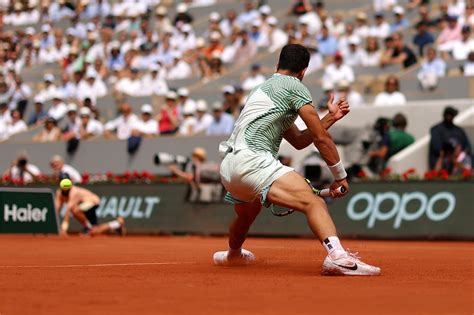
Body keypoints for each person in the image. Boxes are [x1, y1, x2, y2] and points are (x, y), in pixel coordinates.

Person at [214, 44, 380, 275]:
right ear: (303, 72)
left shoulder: (262, 89)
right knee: (314, 204)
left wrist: (330, 117)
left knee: (246, 215)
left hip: (230, 167)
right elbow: (321, 139)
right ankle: (338, 258)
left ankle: (232, 255)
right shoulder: (295, 86)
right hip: (254, 161)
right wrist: (340, 176)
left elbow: (301, 140)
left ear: (277, 65)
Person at [55, 179, 125, 236]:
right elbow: (56, 208)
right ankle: (117, 224)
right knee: (95, 231)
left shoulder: (74, 192)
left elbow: (68, 210)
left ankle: (88, 227)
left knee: (75, 210)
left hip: (92, 202)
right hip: (83, 206)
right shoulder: (59, 192)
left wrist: (64, 229)